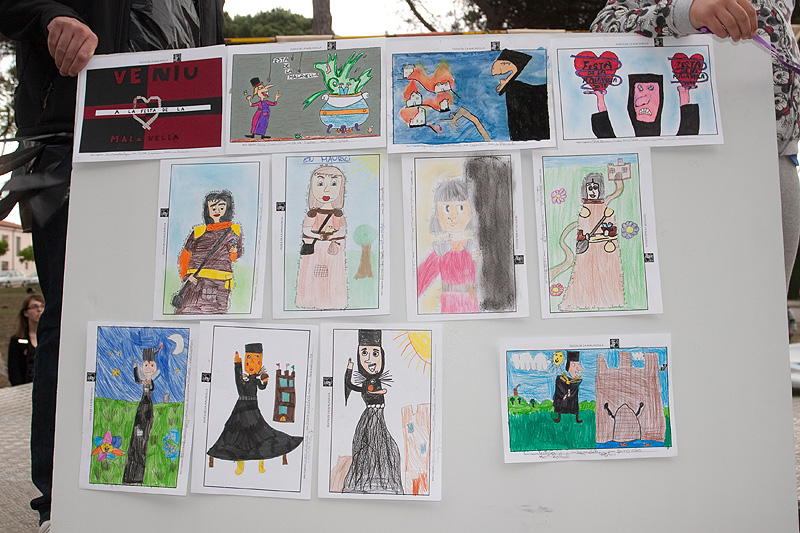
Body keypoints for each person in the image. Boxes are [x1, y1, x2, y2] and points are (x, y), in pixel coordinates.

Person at [0, 3, 224, 529]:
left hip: (190, 137)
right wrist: (51, 15)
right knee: (76, 317)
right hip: (78, 138)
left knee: (181, 317)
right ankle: (62, 504)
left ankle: (167, 490)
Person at [590, 0, 800, 293]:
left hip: (774, 158)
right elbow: (606, 27)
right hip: (692, 159)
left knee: (766, 304)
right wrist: (687, 13)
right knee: (686, 298)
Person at [206, 343, 303, 475]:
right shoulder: (243, 380)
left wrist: (265, 380)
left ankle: (261, 462)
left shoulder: (254, 380)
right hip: (241, 408)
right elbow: (239, 384)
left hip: (252, 408)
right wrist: (237, 365)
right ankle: (240, 465)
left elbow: (262, 387)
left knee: (260, 435)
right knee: (238, 437)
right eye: (249, 359)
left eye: (257, 360)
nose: (252, 363)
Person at [342, 329, 404, 494]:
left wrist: (377, 391)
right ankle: (367, 480)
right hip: (371, 416)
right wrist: (349, 370)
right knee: (370, 446)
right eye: (364, 353)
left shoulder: (375, 380)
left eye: (375, 353)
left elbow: (368, 391)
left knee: (385, 447)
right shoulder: (367, 383)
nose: (370, 359)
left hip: (378, 415)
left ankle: (381, 479)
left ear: (382, 356)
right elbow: (351, 385)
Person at [559, 172, 625, 311]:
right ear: (585, 190)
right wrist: (587, 237)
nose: (593, 191)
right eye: (590, 188)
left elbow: (612, 231)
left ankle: (609, 300)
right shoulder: (584, 210)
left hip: (605, 250)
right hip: (588, 251)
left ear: (600, 189)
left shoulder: (606, 209)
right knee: (585, 275)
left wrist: (606, 234)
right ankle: (584, 300)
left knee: (607, 275)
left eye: (595, 188)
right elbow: (580, 233)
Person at [417, 178, 480, 313]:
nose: (452, 216)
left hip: (471, 304)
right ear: (438, 214)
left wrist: (477, 258)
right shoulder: (441, 251)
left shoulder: (473, 247)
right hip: (449, 305)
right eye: (446, 209)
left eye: (460, 208)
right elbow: (420, 280)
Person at [176, 190, 243, 315]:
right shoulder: (199, 231)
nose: (217, 211)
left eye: (221, 207)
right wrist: (186, 275)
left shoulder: (234, 231)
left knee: (215, 313)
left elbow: (234, 257)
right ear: (208, 210)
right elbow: (185, 255)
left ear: (227, 209)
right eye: (213, 207)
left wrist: (233, 251)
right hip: (197, 281)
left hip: (221, 282)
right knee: (187, 312)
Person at [296, 165, 348, 309]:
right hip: (315, 250)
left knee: (332, 276)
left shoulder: (337, 214)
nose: (326, 189)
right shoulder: (312, 214)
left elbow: (342, 231)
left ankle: (333, 301)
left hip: (332, 251)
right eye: (320, 183)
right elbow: (306, 230)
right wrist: (320, 236)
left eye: (333, 184)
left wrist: (331, 236)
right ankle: (310, 300)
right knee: (312, 275)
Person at [122, 345, 161, 485]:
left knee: (143, 437)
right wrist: (135, 368)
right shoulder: (144, 381)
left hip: (148, 410)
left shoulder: (150, 382)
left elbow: (151, 388)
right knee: (138, 437)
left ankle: (138, 476)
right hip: (142, 409)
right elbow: (137, 379)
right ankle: (131, 475)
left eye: (152, 365)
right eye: (146, 365)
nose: (148, 368)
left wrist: (149, 380)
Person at [8, 294, 44, 386]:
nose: (39, 310)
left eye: (42, 306)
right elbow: (14, 372)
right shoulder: (16, 340)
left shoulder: (51, 339)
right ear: (25, 313)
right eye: (34, 307)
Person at [553, 351, 584, 424]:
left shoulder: (575, 380)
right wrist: (565, 393)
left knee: (574, 402)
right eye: (574, 365)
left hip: (571, 398)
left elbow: (575, 390)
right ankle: (558, 417)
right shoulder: (560, 378)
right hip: (563, 398)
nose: (577, 370)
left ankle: (576, 418)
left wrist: (571, 390)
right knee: (560, 402)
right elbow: (559, 389)